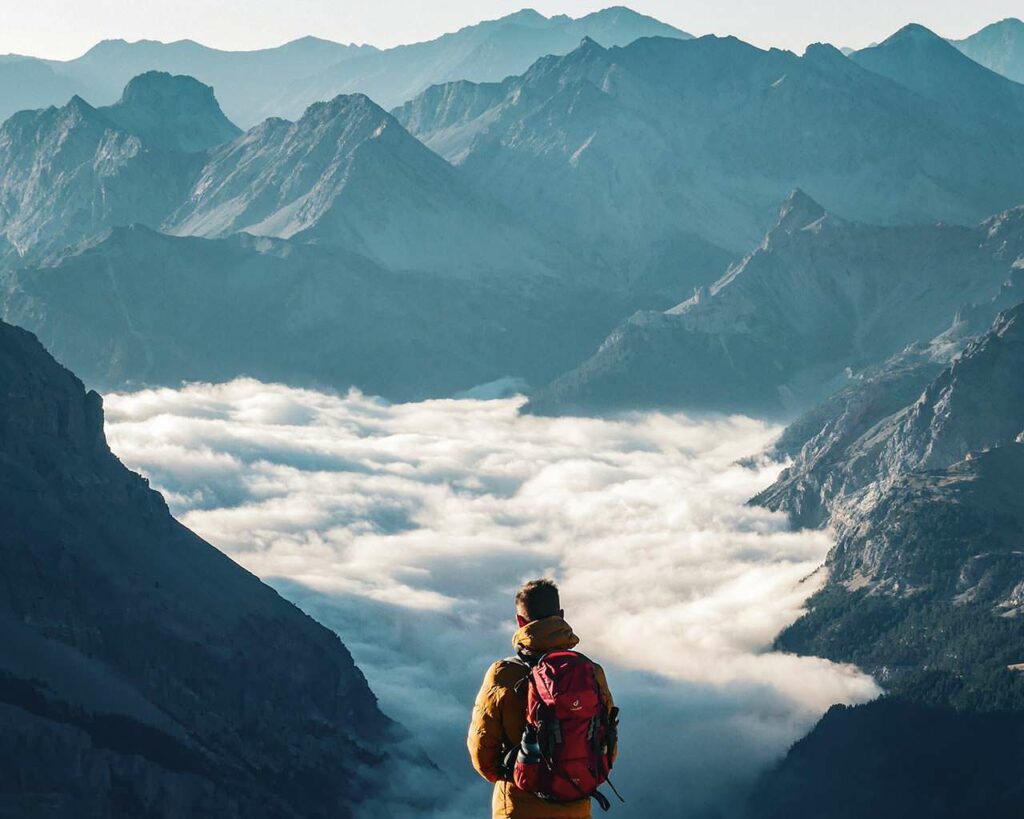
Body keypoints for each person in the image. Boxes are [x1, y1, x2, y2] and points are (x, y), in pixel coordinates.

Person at [468, 579, 616, 819]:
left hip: (518, 808)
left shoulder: (503, 674)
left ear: (520, 622)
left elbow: (482, 756)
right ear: (560, 616)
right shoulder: (591, 672)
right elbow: (607, 747)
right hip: (577, 807)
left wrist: (520, 776)